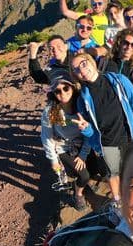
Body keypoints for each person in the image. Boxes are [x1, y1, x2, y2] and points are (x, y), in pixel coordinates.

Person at [70, 53, 133, 203]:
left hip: (131, 136)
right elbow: (91, 133)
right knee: (113, 173)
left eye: (83, 64)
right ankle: (119, 202)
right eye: (76, 69)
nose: (82, 70)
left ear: (92, 62)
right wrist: (86, 129)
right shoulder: (82, 100)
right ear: (75, 75)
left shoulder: (118, 81)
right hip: (107, 145)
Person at [40, 70, 90, 211]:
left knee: (98, 168)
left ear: (73, 87)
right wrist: (53, 160)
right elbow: (47, 137)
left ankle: (79, 178)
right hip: (63, 147)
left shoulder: (82, 106)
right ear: (53, 94)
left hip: (83, 145)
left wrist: (83, 155)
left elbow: (88, 133)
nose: (62, 93)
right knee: (84, 175)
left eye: (66, 88)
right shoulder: (52, 111)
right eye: (57, 91)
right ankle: (78, 194)